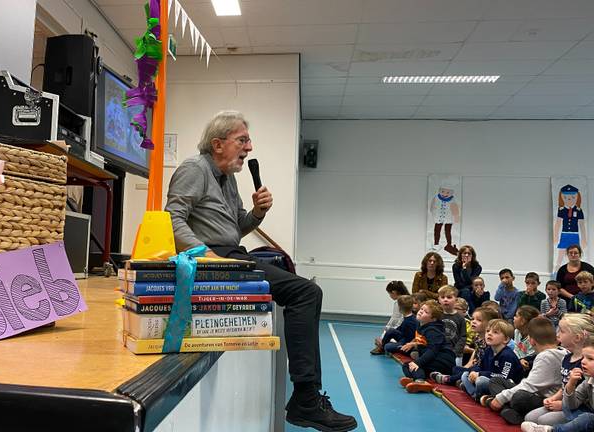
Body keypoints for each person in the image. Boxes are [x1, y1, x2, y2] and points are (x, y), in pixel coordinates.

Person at [165, 111, 357, 432]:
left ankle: (307, 397)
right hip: (214, 259)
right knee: (305, 292)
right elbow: (172, 218)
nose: (249, 147)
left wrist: (257, 212)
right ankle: (306, 400)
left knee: (307, 291)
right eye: (242, 140)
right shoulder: (194, 169)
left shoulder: (228, 177)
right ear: (218, 144)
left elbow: (236, 228)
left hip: (231, 253)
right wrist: (204, 254)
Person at [482, 317, 566, 425]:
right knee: (496, 381)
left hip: (546, 399)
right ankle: (508, 410)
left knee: (520, 397)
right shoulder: (562, 351)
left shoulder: (546, 356)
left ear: (531, 340)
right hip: (539, 393)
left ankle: (506, 408)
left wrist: (500, 398)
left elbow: (530, 385)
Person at [521, 320, 594, 432]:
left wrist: (562, 404)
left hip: (588, 416)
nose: (583, 361)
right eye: (583, 357)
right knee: (530, 417)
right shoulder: (588, 381)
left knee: (587, 418)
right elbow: (571, 405)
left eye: (590, 359)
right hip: (578, 411)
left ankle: (552, 430)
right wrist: (570, 385)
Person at [430, 306, 501, 386]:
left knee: (470, 371)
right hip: (475, 367)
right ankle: (461, 381)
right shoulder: (478, 337)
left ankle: (448, 379)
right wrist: (467, 365)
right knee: (455, 369)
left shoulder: (490, 341)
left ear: (489, 324)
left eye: (479, 320)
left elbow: (485, 362)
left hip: (482, 370)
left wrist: (470, 368)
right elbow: (476, 352)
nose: (473, 322)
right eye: (472, 319)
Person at [398, 300, 456, 393]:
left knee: (416, 365)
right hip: (434, 358)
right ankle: (417, 378)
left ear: (433, 319)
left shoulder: (433, 330)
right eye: (421, 309)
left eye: (426, 312)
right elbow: (422, 343)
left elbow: (432, 350)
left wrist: (418, 362)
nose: (421, 311)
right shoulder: (421, 325)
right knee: (407, 365)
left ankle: (420, 381)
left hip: (443, 360)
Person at [553, 185, 588, 269]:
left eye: (573, 197)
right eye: (565, 198)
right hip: (564, 234)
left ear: (577, 198)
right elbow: (558, 223)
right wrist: (555, 236)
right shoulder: (561, 210)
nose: (569, 200)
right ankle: (557, 267)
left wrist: (584, 239)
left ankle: (578, 268)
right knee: (561, 251)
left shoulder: (578, 210)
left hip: (574, 235)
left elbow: (582, 225)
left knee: (576, 252)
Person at [371, 281, 410, 355]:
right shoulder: (402, 301)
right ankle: (385, 342)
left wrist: (388, 329)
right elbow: (394, 318)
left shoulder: (400, 303)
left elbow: (398, 320)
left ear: (394, 292)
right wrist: (387, 328)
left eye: (389, 294)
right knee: (385, 335)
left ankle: (383, 345)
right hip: (399, 330)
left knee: (386, 339)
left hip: (401, 332)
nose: (390, 296)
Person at [438, 285, 467, 365]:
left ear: (456, 300)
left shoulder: (460, 318)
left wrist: (455, 351)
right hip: (439, 351)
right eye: (443, 297)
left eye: (449, 297)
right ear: (439, 300)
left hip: (456, 354)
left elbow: (463, 337)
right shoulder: (437, 316)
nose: (445, 300)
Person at [453, 245, 482, 311]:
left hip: (472, 289)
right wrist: (464, 267)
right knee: (466, 291)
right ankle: (473, 312)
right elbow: (458, 283)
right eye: (464, 253)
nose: (466, 255)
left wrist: (464, 269)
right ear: (461, 255)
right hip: (459, 289)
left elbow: (471, 281)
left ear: (472, 256)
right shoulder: (456, 266)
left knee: (480, 293)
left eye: (469, 253)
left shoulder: (477, 267)